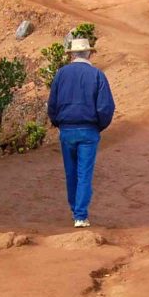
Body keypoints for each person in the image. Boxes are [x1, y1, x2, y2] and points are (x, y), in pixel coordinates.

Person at [46, 37, 115, 228]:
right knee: (84, 173)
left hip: (67, 129)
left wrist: (58, 123)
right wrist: (98, 126)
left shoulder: (61, 74)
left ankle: (75, 210)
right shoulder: (97, 75)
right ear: (89, 53)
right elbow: (106, 107)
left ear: (71, 54)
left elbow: (52, 104)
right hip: (88, 130)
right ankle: (80, 215)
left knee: (71, 172)